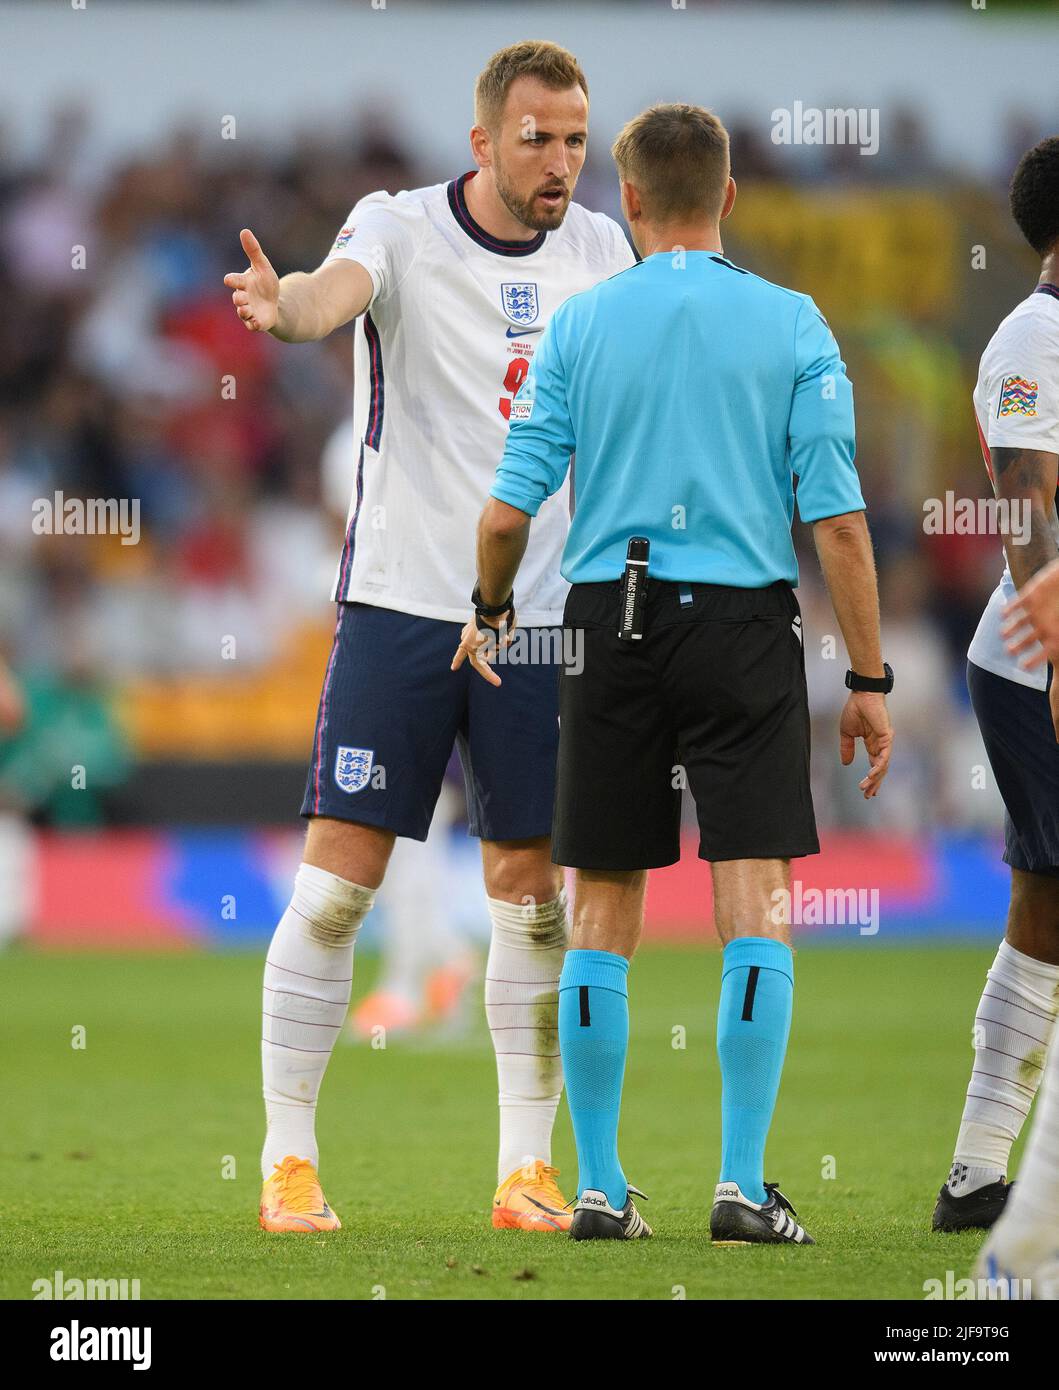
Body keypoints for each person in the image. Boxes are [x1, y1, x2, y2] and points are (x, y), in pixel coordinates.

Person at [455, 103, 892, 1243]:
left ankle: (597, 1187)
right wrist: (873, 679)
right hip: (745, 621)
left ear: (630, 201)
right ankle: (742, 1186)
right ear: (730, 197)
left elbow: (506, 516)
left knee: (598, 906)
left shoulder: (582, 325)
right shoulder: (795, 323)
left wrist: (492, 610)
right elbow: (838, 524)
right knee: (755, 899)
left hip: (610, 623)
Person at [225, 39, 636, 1234]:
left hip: (544, 622)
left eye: (574, 138)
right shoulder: (398, 226)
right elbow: (327, 297)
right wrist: (286, 306)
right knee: (334, 890)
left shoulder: (603, 249)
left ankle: (525, 1169)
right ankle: (287, 1162)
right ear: (482, 141)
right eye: (536, 137)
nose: (559, 161)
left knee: (528, 896)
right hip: (402, 606)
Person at [931, 137, 1059, 1242]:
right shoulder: (1034, 336)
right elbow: (1024, 507)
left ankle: (978, 1176)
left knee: (1045, 906)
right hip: (1037, 663)